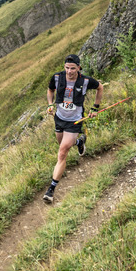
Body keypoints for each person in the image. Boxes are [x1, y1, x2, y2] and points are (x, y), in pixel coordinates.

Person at [43, 54, 102, 203]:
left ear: (79, 67)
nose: (69, 71)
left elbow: (100, 87)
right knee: (61, 144)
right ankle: (79, 142)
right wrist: (50, 104)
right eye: (67, 68)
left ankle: (51, 190)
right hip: (59, 118)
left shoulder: (86, 81)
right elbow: (50, 90)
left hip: (75, 121)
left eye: (73, 68)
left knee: (62, 152)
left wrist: (95, 108)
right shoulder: (57, 77)